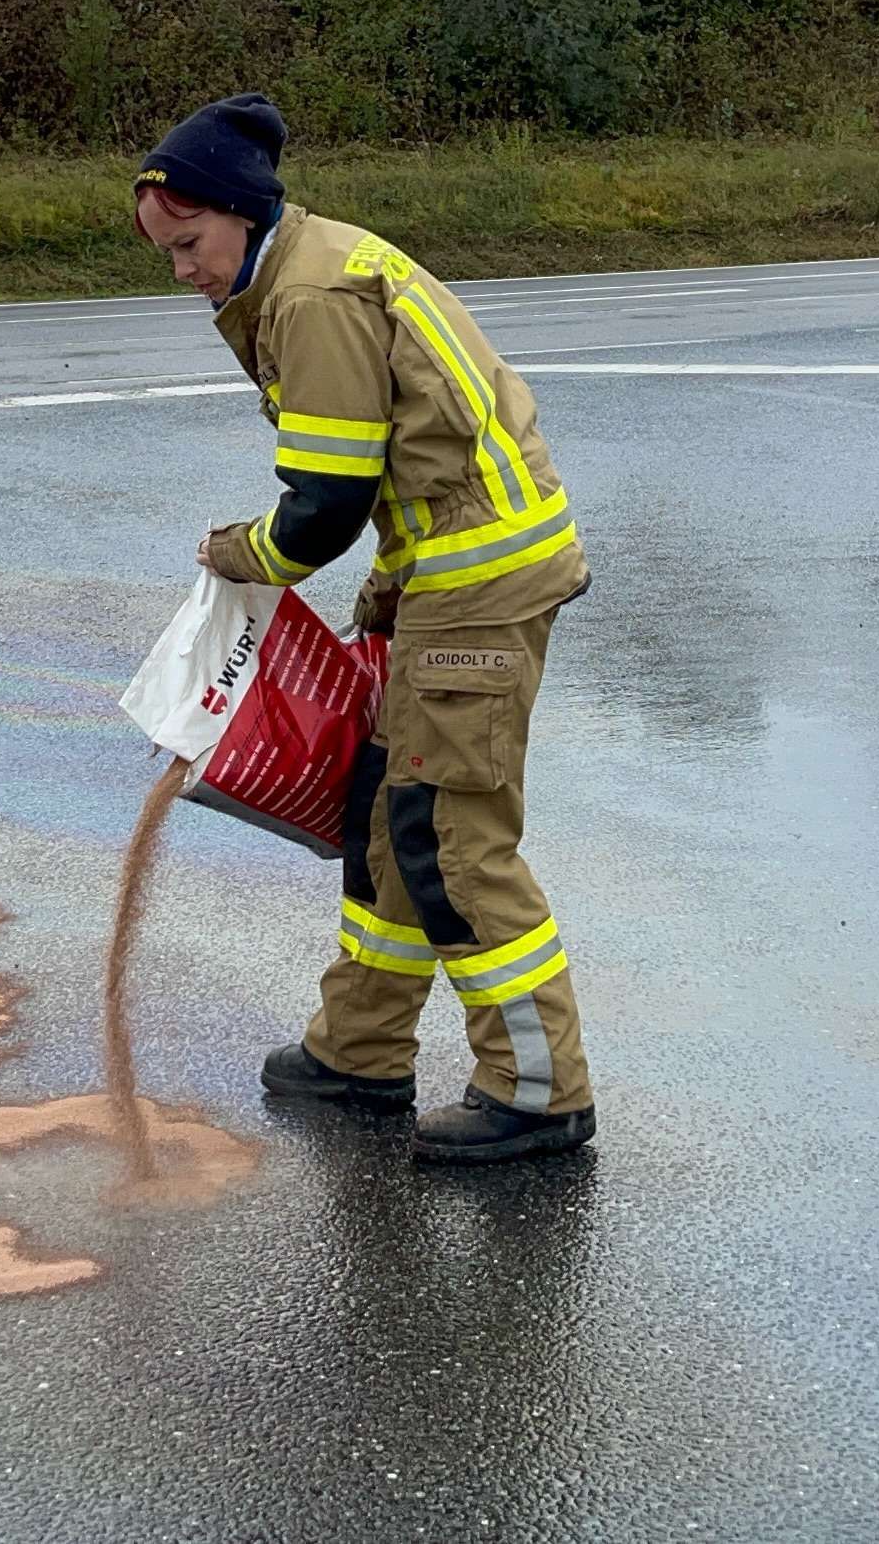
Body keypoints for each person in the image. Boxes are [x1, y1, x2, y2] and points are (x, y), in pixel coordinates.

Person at [132, 92, 596, 1165]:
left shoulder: (312, 299)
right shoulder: (305, 272)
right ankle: (360, 1052)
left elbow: (325, 504)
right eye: (165, 252)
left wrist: (240, 555)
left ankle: (538, 1091)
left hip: (477, 591)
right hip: (442, 579)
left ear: (243, 214)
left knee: (449, 837)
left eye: (190, 244)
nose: (182, 272)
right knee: (385, 820)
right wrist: (391, 590)